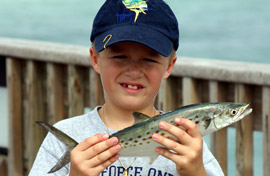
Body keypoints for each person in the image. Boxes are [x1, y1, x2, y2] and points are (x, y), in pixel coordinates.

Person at [29, 0, 224, 175]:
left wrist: (196, 172)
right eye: (120, 57)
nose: (134, 71)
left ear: (169, 66)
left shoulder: (185, 142)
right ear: (95, 59)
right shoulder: (66, 133)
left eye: (149, 59)